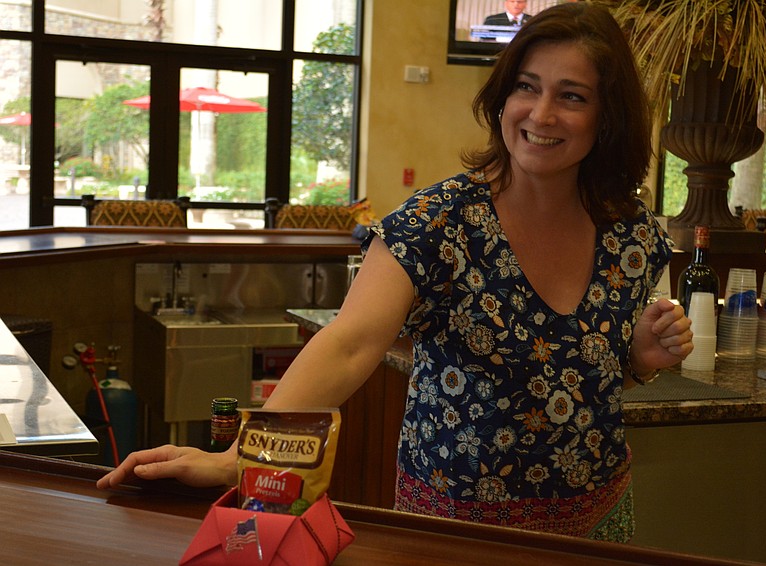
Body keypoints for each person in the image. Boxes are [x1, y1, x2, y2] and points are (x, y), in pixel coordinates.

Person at [98, 3, 693, 543]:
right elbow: (350, 342)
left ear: (606, 116)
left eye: (572, 96)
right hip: (456, 531)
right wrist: (241, 457)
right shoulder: (441, 222)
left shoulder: (630, 229)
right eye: (526, 87)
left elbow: (593, 374)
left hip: (596, 522)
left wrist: (638, 356)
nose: (540, 113)